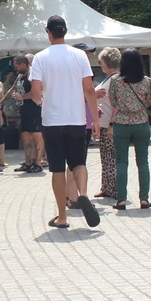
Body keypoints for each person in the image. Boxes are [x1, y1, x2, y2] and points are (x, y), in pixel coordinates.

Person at [31, 15, 100, 228]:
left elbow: (35, 92)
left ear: (48, 32)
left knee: (58, 169)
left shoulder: (40, 58)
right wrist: (95, 120)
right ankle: (83, 194)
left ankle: (62, 216)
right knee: (78, 163)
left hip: (52, 120)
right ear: (66, 31)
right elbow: (89, 90)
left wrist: (42, 100)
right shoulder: (80, 56)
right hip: (76, 118)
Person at [108, 48, 151, 210]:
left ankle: (121, 200)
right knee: (143, 161)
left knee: (121, 161)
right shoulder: (148, 81)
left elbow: (112, 101)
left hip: (121, 122)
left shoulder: (115, 81)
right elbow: (149, 102)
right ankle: (144, 199)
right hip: (141, 122)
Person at [94, 48, 121, 200]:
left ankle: (115, 188)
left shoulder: (115, 79)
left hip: (111, 124)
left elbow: (117, 104)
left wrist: (112, 124)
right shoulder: (109, 78)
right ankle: (106, 187)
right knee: (106, 157)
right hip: (104, 123)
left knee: (112, 158)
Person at [10, 55, 45, 172]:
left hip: (34, 110)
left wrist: (22, 97)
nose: (16, 69)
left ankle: (38, 163)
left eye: (17, 66)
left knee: (37, 136)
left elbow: (37, 92)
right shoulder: (20, 76)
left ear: (23, 65)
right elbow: (12, 89)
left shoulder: (32, 74)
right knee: (25, 137)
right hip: (23, 110)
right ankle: (28, 162)